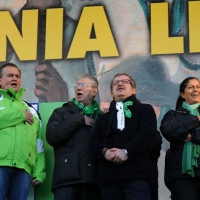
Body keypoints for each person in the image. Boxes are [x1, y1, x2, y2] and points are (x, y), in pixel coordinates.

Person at [91, 73, 157, 200]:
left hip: (136, 175)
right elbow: (94, 141)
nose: (120, 84)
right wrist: (105, 152)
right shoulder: (103, 118)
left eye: (125, 81)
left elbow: (147, 135)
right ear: (111, 93)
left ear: (133, 90)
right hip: (108, 178)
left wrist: (126, 151)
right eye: (115, 83)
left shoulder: (144, 109)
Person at [46, 74, 102, 200]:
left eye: (83, 85)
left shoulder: (102, 117)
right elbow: (52, 136)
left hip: (93, 181)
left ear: (94, 91)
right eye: (77, 85)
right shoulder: (61, 112)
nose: (78, 88)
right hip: (67, 180)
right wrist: (79, 119)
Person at [0, 63, 46, 200]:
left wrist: (39, 172)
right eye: (10, 75)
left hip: (23, 169)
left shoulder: (32, 110)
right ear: (0, 80)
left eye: (17, 76)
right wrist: (20, 115)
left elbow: (38, 143)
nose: (14, 79)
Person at [160, 77, 200, 200]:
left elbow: (178, 132)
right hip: (181, 175)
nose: (196, 90)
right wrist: (196, 119)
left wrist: (191, 136)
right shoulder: (173, 115)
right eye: (191, 87)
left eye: (198, 87)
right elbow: (169, 132)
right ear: (182, 94)